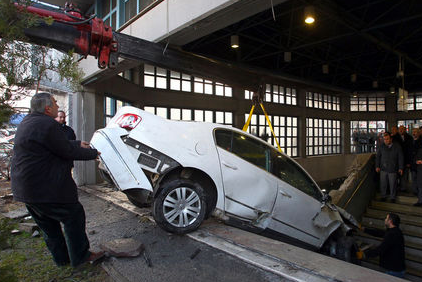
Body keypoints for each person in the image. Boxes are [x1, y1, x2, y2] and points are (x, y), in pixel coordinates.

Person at [11, 92, 103, 267]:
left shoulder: (29, 122)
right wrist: (94, 153)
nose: (57, 106)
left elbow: (58, 145)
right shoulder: (47, 124)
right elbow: (66, 151)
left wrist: (77, 143)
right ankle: (81, 257)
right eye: (55, 103)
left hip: (25, 189)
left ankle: (61, 260)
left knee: (49, 225)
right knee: (73, 215)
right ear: (47, 108)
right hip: (44, 188)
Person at [361, 213, 406, 278]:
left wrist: (364, 254)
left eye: (386, 218)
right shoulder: (395, 231)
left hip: (394, 271)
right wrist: (364, 229)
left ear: (390, 221)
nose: (385, 220)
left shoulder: (392, 234)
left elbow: (380, 249)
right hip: (396, 269)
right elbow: (379, 233)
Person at [375, 132, 404, 202]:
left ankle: (393, 197)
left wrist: (401, 168)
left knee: (393, 184)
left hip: (393, 168)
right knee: (383, 183)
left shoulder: (397, 146)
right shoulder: (381, 146)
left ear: (391, 139)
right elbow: (378, 157)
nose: (386, 141)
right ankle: (383, 196)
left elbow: (400, 157)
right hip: (383, 168)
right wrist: (377, 166)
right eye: (384, 139)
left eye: (387, 139)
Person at [398, 125, 413, 192]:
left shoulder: (409, 138)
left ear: (405, 130)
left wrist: (409, 162)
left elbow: (410, 151)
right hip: (397, 160)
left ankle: (403, 188)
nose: (401, 130)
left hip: (406, 159)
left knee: (405, 175)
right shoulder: (395, 138)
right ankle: (399, 186)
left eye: (402, 129)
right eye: (400, 129)